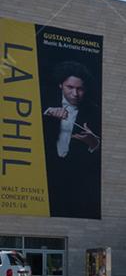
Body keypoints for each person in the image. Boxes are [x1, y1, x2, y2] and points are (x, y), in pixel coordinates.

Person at [41, 61, 102, 219]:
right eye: (70, 87)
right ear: (60, 85)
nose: (75, 94)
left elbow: (102, 160)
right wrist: (46, 114)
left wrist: (94, 143)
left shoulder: (95, 112)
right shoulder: (43, 101)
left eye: (80, 89)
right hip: (44, 177)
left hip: (77, 182)